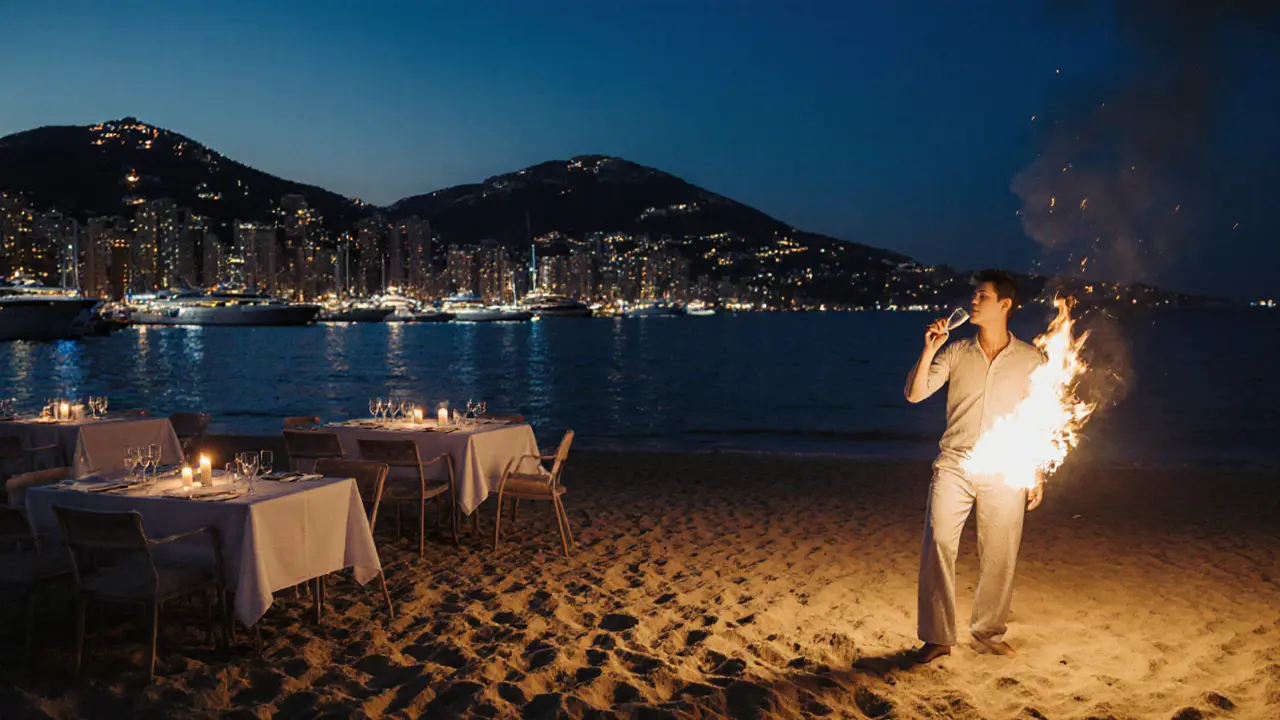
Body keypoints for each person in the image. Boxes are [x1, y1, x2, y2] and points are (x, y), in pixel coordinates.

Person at [903, 269, 1046, 662]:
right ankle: (937, 637)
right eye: (974, 295)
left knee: (1000, 552)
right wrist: (930, 348)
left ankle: (988, 632)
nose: (974, 301)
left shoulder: (1031, 359)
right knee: (938, 543)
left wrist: (1035, 472)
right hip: (954, 465)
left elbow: (1037, 420)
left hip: (1005, 466)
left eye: (983, 296)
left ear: (1005, 304)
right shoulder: (955, 351)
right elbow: (915, 394)